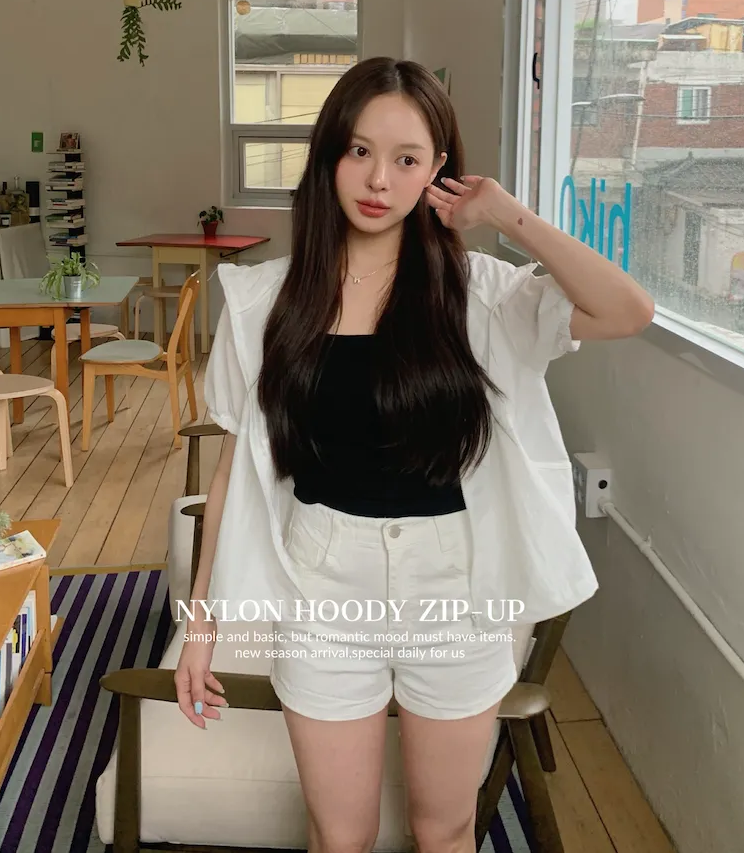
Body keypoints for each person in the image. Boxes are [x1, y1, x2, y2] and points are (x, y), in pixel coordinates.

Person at [175, 57, 654, 853]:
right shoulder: (262, 302)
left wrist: (508, 216)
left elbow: (627, 309)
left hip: (454, 592)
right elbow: (232, 474)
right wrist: (202, 624)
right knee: (340, 835)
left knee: (445, 828)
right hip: (322, 587)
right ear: (329, 154)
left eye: (407, 159)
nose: (378, 180)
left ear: (439, 170)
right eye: (359, 151)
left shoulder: (484, 293)